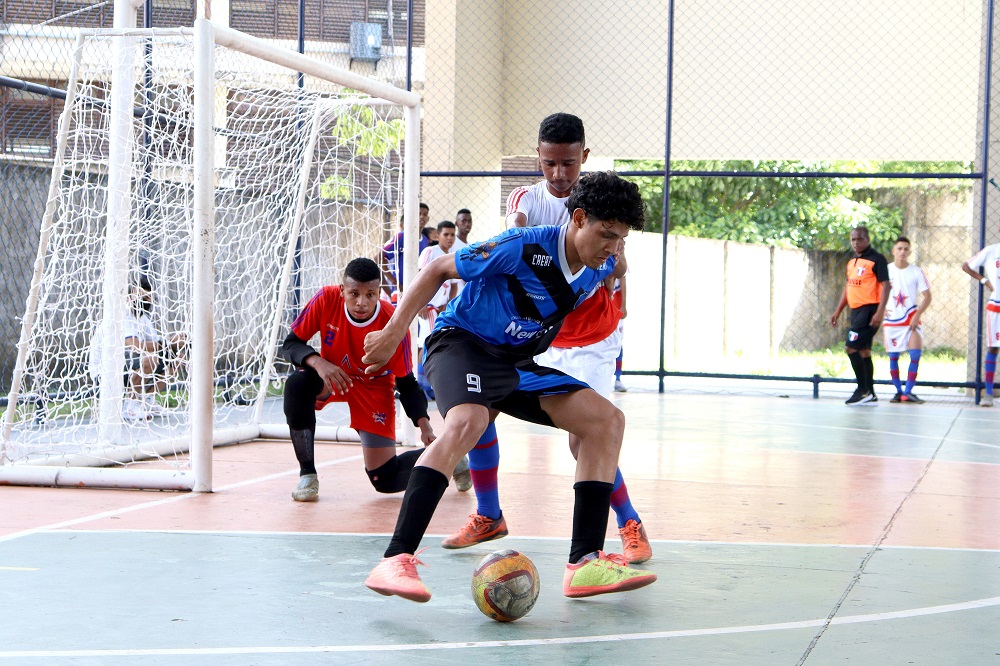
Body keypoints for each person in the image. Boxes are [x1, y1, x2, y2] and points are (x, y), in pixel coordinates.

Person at [361, 171, 656, 603]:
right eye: (606, 235)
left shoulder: (603, 263)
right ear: (577, 219)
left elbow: (619, 263)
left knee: (606, 421)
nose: (613, 248)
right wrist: (392, 333)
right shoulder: (524, 246)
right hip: (462, 342)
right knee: (468, 422)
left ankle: (585, 562)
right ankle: (395, 559)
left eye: (621, 239)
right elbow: (440, 269)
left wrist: (617, 254)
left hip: (515, 363)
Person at [444, 113, 652, 565]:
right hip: (539, 334)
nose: (558, 174)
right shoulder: (526, 202)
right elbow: (511, 234)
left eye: (569, 165)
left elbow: (618, 264)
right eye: (550, 163)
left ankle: (629, 522)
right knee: (480, 408)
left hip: (592, 336)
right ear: (538, 156)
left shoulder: (598, 203)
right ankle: (488, 513)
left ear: (585, 158)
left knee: (588, 436)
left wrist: (620, 299)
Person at [279, 257, 470, 502]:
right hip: (334, 376)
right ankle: (308, 475)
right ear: (341, 291)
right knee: (297, 384)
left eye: (370, 294)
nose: (361, 302)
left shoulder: (393, 322)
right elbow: (290, 344)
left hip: (374, 387)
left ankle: (449, 454)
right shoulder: (325, 299)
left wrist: (425, 426)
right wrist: (319, 362)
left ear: (378, 292)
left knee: (385, 479)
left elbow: (406, 382)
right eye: (354, 293)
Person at [88, 274, 187, 421]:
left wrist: (177, 343)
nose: (146, 301)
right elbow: (135, 346)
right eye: (142, 297)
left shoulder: (143, 318)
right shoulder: (122, 315)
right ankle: (130, 406)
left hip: (127, 366)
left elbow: (158, 345)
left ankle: (147, 402)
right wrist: (169, 343)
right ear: (130, 296)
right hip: (105, 372)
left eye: (149, 298)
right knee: (151, 359)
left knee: (178, 359)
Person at [829, 226, 891, 405]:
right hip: (856, 311)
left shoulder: (877, 259)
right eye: (853, 239)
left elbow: (886, 286)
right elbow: (849, 287)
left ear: (868, 239)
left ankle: (862, 390)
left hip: (869, 311)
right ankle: (871, 392)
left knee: (851, 347)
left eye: (859, 239)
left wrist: (879, 311)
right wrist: (838, 310)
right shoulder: (852, 262)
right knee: (864, 350)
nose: (856, 242)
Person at [883, 237, 931, 404]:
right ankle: (898, 391)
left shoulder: (916, 271)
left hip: (910, 318)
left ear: (910, 252)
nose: (902, 252)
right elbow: (875, 292)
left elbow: (927, 296)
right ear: (893, 251)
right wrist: (880, 310)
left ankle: (908, 392)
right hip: (892, 320)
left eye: (906, 249)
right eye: (899, 248)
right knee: (893, 357)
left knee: (915, 354)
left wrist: (917, 315)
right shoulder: (885, 270)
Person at [414, 221, 459, 399]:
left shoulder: (453, 256)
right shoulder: (430, 252)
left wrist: (447, 304)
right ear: (437, 236)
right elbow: (419, 276)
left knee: (430, 344)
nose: (449, 238)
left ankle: (427, 386)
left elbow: (454, 285)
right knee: (426, 344)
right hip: (428, 308)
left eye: (452, 235)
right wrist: (421, 302)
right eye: (446, 234)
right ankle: (421, 386)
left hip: (439, 310)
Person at [962, 242, 1000, 406]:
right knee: (993, 346)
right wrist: (984, 280)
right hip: (996, 305)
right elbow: (966, 266)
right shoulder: (991, 251)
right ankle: (989, 393)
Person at [381, 202, 431, 297]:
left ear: (428, 218)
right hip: (398, 290)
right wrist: (394, 282)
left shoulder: (425, 240)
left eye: (425, 214)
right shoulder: (402, 236)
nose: (422, 217)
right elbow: (379, 258)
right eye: (418, 214)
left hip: (415, 290)